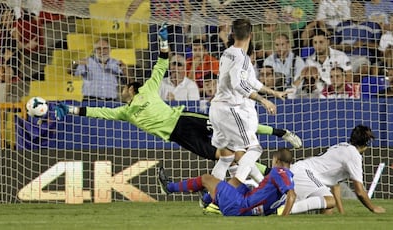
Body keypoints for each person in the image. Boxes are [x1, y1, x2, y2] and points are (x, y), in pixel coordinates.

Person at [54, 23, 302, 164]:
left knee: (230, 126)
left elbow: (162, 62)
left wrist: (164, 41)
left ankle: (280, 134)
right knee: (219, 155)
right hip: (177, 135)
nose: (121, 92)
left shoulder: (149, 88)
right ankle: (263, 172)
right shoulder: (124, 112)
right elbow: (98, 112)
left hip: (184, 118)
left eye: (124, 88)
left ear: (132, 89)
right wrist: (71, 109)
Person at [208, 18, 287, 188]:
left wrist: (274, 93)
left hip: (216, 109)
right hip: (229, 110)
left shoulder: (227, 52)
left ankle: (210, 198)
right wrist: (263, 100)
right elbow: (239, 85)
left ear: (233, 34)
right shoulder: (241, 58)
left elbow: (251, 81)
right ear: (251, 35)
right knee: (253, 149)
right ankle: (230, 190)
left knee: (227, 157)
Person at [158, 148, 296, 216]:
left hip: (239, 206)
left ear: (277, 161)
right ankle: (208, 199)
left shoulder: (279, 172)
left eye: (272, 160)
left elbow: (292, 196)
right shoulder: (290, 177)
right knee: (239, 183)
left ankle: (169, 187)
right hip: (248, 206)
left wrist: (283, 219)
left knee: (206, 179)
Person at [289, 125, 386, 214]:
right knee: (329, 201)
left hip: (301, 171)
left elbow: (335, 185)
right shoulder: (353, 155)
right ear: (367, 143)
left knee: (328, 206)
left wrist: (341, 211)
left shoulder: (343, 146)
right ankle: (285, 210)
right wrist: (373, 208)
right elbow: (360, 191)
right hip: (304, 173)